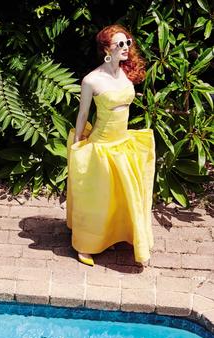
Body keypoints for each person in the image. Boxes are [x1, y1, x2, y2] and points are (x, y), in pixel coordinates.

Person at [66, 25, 155, 267]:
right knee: (96, 198)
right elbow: (83, 114)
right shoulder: (91, 80)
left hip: (122, 143)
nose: (126, 48)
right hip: (102, 146)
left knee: (117, 197)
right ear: (106, 49)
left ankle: (112, 236)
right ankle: (85, 245)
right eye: (120, 44)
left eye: (127, 42)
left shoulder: (126, 73)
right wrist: (77, 147)